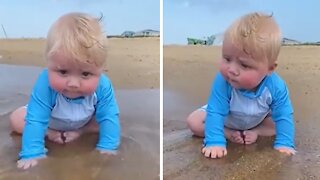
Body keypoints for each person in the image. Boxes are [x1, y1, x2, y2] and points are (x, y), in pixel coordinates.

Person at [9, 12, 120, 169]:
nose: (73, 83)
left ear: (101, 69)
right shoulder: (45, 83)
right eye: (63, 72)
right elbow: (36, 119)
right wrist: (32, 153)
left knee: (108, 121)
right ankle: (50, 133)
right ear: (49, 63)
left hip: (85, 122)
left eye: (85, 74)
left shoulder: (103, 86)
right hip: (51, 121)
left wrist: (108, 147)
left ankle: (81, 132)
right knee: (17, 118)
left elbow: (109, 116)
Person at [186, 12, 296, 159]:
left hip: (257, 119)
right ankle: (227, 133)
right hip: (227, 118)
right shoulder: (223, 81)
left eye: (244, 65)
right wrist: (215, 142)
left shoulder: (276, 87)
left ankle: (256, 131)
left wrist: (285, 143)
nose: (231, 69)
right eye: (227, 58)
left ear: (270, 69)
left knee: (278, 125)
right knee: (194, 122)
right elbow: (216, 112)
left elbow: (283, 115)